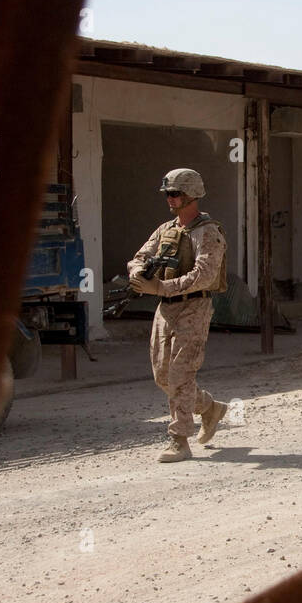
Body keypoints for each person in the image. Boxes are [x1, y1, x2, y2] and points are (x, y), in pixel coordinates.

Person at [127, 168, 229, 462]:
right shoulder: (165, 230)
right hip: (166, 309)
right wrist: (138, 274)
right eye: (168, 194)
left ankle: (179, 440)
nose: (170, 199)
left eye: (175, 194)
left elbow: (205, 275)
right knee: (163, 376)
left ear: (191, 195)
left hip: (193, 307)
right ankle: (210, 409)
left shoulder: (208, 232)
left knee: (181, 374)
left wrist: (160, 286)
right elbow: (139, 257)